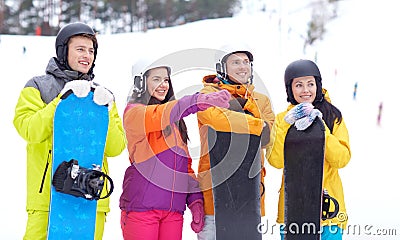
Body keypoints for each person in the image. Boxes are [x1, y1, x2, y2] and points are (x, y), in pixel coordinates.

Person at [13, 22, 126, 240]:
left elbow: (115, 147)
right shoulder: (37, 86)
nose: (87, 55)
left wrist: (106, 111)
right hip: (48, 199)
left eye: (91, 51)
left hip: (91, 199)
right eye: (80, 49)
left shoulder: (102, 94)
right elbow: (29, 130)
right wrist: (61, 102)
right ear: (64, 50)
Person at [120, 58, 231, 240]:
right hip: (142, 209)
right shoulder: (134, 113)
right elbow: (159, 115)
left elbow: (185, 169)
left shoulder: (175, 124)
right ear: (140, 82)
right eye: (156, 79)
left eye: (166, 80)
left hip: (173, 213)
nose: (163, 85)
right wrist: (198, 100)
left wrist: (195, 200)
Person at [196, 44, 275, 240]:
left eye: (246, 62)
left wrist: (248, 107)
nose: (243, 67)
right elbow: (216, 118)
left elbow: (267, 137)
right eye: (236, 62)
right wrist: (256, 124)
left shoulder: (260, 100)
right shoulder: (206, 95)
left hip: (251, 190)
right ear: (222, 67)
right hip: (215, 193)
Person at [268, 59, 351, 240]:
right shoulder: (282, 119)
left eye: (310, 84)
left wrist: (321, 128)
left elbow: (342, 159)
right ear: (290, 89)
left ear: (318, 85)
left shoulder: (332, 115)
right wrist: (285, 125)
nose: (305, 90)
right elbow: (276, 161)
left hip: (328, 212)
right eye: (299, 85)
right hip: (294, 211)